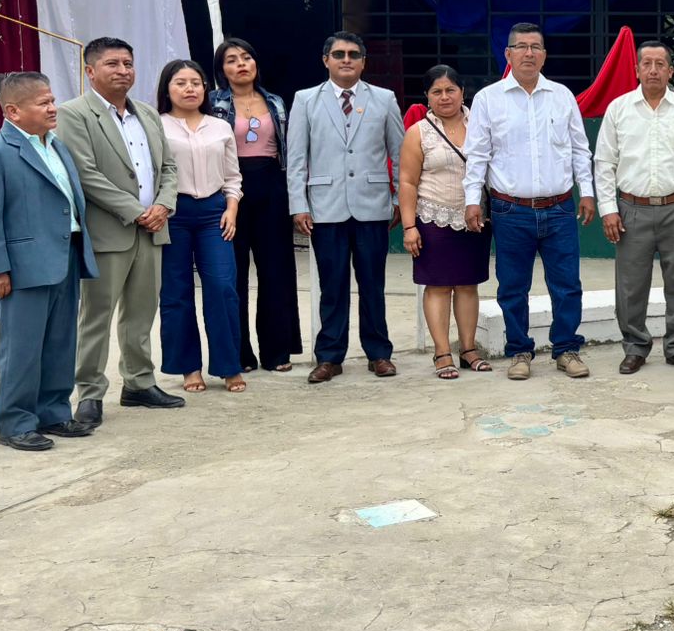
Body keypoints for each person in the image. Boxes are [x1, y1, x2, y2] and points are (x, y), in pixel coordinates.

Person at [0, 73, 98, 450]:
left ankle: (53, 412)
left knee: (60, 343)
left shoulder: (57, 146)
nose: (53, 108)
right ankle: (15, 421)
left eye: (52, 100)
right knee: (21, 349)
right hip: (21, 268)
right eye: (43, 103)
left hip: (64, 257)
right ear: (13, 111)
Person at [57, 37, 184, 428]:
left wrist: (163, 205)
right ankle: (90, 393)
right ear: (90, 70)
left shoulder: (146, 113)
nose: (123, 70)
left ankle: (139, 383)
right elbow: (84, 173)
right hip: (109, 232)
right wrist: (136, 211)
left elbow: (168, 168)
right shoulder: (74, 114)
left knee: (142, 313)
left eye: (128, 63)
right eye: (112, 63)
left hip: (153, 229)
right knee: (96, 316)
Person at [463, 23, 597, 380]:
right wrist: (472, 199)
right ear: (507, 54)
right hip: (510, 210)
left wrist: (587, 192)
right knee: (512, 287)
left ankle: (566, 349)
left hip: (559, 208)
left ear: (544, 55)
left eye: (535, 47)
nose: (528, 53)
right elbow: (477, 155)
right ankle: (519, 352)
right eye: (520, 46)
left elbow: (579, 150)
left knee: (567, 285)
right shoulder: (488, 99)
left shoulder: (561, 96)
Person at [286, 31, 405, 384]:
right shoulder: (306, 100)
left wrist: (398, 199)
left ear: (364, 62)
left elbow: (400, 155)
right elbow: (296, 158)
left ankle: (379, 353)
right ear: (326, 60)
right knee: (332, 286)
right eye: (339, 54)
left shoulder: (384, 99)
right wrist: (298, 204)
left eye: (354, 54)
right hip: (326, 207)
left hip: (373, 205)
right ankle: (329, 356)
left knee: (373, 284)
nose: (346, 60)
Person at [594, 41, 674, 374]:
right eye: (646, 63)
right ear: (636, 70)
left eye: (660, 64)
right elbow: (604, 162)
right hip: (631, 209)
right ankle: (635, 347)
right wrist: (608, 209)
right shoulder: (619, 109)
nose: (652, 70)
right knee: (631, 285)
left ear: (670, 71)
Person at [208, 36, 301, 372]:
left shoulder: (275, 101)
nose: (241, 64)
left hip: (272, 185)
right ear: (222, 70)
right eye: (232, 60)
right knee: (233, 273)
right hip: (228, 189)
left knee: (276, 270)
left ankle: (276, 352)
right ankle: (239, 354)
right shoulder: (211, 102)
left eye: (246, 57)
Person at [397, 65, 493, 379]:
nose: (444, 97)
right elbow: (407, 182)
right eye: (436, 91)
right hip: (433, 219)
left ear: (463, 92)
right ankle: (442, 353)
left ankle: (468, 350)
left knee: (467, 285)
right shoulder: (418, 132)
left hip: (474, 218)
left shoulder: (480, 124)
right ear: (427, 96)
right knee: (438, 287)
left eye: (450, 90)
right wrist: (409, 227)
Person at [157, 60, 245, 394]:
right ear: (167, 89)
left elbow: (233, 176)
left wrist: (231, 209)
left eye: (196, 82)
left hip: (214, 214)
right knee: (176, 291)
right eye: (180, 83)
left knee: (222, 287)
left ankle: (228, 365)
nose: (189, 89)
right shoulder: (156, 126)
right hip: (173, 213)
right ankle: (188, 367)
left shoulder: (220, 126)